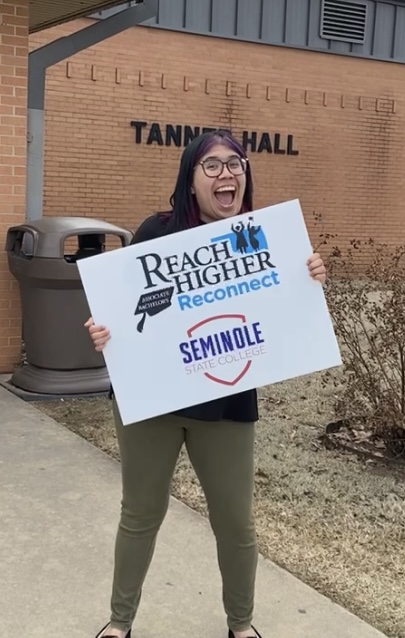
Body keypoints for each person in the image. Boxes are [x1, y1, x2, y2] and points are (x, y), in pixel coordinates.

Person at [85, 129, 327, 638]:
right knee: (141, 513)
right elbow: (125, 310)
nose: (226, 174)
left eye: (235, 164)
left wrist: (307, 279)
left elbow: (285, 316)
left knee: (236, 523)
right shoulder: (156, 231)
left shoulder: (264, 239)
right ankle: (119, 623)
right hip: (153, 399)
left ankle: (241, 626)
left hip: (226, 396)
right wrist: (103, 330)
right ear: (190, 180)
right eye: (212, 166)